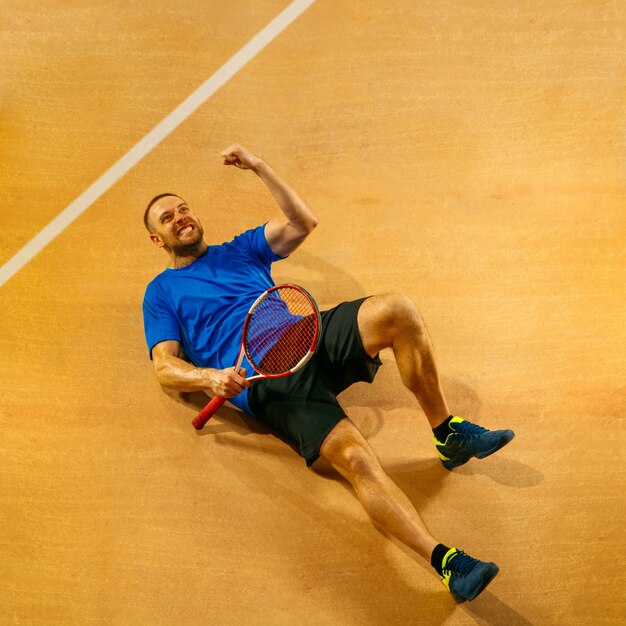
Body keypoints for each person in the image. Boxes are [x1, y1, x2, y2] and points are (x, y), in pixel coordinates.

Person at [142, 144, 514, 603]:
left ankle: (448, 433)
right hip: (267, 383)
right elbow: (164, 366)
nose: (180, 218)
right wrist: (210, 378)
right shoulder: (161, 291)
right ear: (158, 240)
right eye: (167, 219)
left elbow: (303, 222)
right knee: (355, 458)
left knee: (398, 309)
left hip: (307, 335)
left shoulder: (239, 250)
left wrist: (259, 166)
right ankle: (446, 562)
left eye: (182, 209)